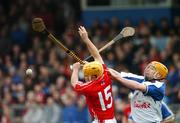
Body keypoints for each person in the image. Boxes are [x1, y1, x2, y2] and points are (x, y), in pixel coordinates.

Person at [71, 26, 116, 123]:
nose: (85, 76)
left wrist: (75, 69)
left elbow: (74, 83)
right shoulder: (104, 74)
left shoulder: (91, 87)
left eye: (87, 74)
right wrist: (86, 39)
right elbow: (96, 55)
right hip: (109, 120)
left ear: (93, 76)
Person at [108, 61, 174, 123]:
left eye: (152, 68)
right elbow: (118, 74)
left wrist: (118, 78)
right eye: (148, 67)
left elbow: (137, 86)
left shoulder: (159, 86)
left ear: (158, 75)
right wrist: (103, 68)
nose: (148, 69)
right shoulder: (140, 79)